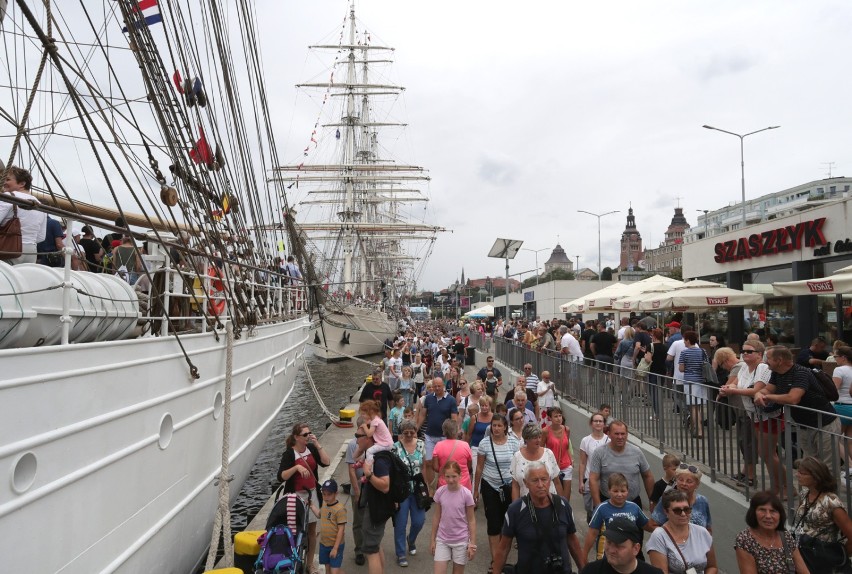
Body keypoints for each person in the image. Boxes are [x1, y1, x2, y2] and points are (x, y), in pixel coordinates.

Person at [492, 462, 586, 574]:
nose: (540, 485)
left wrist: (584, 569)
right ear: (526, 483)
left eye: (544, 479)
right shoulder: (515, 510)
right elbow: (503, 548)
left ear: (550, 480)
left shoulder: (562, 505)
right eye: (535, 480)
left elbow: (572, 540)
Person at [755, 345, 840, 468]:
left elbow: (793, 398)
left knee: (828, 465)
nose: (765, 361)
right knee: (810, 462)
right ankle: (812, 487)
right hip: (805, 424)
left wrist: (768, 397)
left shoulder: (801, 372)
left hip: (824, 423)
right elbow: (767, 389)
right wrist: (758, 393)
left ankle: (829, 487)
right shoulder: (776, 373)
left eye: (767, 358)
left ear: (779, 361)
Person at [718, 342, 782, 493]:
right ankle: (779, 486)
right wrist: (729, 388)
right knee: (764, 453)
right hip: (752, 414)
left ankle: (782, 486)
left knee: (767, 454)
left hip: (766, 415)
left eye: (749, 351)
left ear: (760, 354)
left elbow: (757, 390)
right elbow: (735, 384)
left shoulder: (762, 368)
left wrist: (733, 391)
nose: (745, 353)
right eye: (743, 351)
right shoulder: (744, 368)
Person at [277, 423, 331, 574]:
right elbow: (281, 477)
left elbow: (326, 462)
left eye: (310, 433)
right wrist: (296, 468)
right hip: (296, 496)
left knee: (312, 530)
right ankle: (293, 561)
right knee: (295, 529)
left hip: (312, 493)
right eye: (305, 435)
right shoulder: (289, 454)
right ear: (296, 437)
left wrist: (317, 444)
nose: (308, 436)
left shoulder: (312, 449)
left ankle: (309, 563)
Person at [473, 413, 519, 570]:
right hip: (490, 485)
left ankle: (502, 555)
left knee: (507, 523)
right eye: (494, 425)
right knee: (493, 523)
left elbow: (518, 465)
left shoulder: (514, 442)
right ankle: (496, 561)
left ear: (505, 427)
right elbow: (479, 467)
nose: (496, 428)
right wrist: (476, 490)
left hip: (509, 486)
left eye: (499, 425)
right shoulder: (484, 444)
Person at [792, 456, 852, 573]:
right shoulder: (804, 494)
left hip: (821, 560)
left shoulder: (831, 502)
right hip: (802, 553)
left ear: (816, 477)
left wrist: (839, 554)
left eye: (802, 473)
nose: (797, 475)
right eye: (798, 472)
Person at [583, 473, 652, 562]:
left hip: (628, 558)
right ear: (609, 491)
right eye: (615, 491)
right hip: (606, 558)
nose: (619, 494)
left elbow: (647, 525)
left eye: (623, 491)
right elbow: (592, 533)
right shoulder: (601, 508)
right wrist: (584, 555)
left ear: (628, 491)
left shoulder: (634, 507)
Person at [735, 491, 809, 574]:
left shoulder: (785, 536)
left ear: (780, 515)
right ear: (753, 513)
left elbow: (804, 571)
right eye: (762, 510)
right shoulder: (745, 540)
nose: (768, 516)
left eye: (773, 511)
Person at [647, 490, 717, 574]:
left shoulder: (702, 532)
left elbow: (712, 566)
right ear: (666, 512)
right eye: (677, 510)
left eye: (687, 509)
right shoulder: (659, 536)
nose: (683, 514)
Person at [588, 421, 654, 509]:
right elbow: (593, 479)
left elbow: (647, 476)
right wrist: (598, 505)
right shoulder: (599, 453)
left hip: (633, 504)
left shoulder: (637, 452)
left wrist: (652, 500)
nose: (620, 437)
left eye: (623, 434)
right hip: (607, 503)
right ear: (609, 434)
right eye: (616, 434)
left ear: (627, 435)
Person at [430, 460, 477, 574]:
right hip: (442, 539)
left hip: (461, 540)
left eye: (454, 476)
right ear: (443, 477)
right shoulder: (440, 492)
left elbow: (471, 520)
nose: (450, 480)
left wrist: (472, 543)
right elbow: (436, 517)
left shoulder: (466, 494)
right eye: (447, 476)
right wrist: (432, 540)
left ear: (460, 476)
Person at [393, 420, 427, 567]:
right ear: (401, 433)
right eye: (405, 432)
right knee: (400, 524)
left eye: (411, 432)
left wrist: (427, 488)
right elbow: (393, 472)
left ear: (415, 431)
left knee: (419, 521)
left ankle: (411, 540)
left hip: (418, 489)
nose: (408, 435)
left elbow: (424, 467)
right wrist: (392, 495)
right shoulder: (395, 447)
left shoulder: (421, 444)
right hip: (402, 490)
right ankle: (400, 553)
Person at [417, 376, 459, 492]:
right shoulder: (428, 399)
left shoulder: (451, 400)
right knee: (429, 462)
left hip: (444, 437)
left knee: (445, 463)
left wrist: (454, 435)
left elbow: (454, 418)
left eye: (439, 386)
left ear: (443, 386)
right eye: (434, 386)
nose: (436, 388)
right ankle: (431, 488)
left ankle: (444, 486)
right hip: (430, 435)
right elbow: (423, 415)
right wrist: (416, 429)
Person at [579, 517, 664, 574]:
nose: (611, 550)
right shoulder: (591, 571)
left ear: (635, 548)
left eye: (619, 545)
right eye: (609, 542)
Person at [360, 436, 393, 574]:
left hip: (376, 509)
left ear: (369, 439)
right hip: (379, 508)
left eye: (358, 436)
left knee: (371, 550)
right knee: (376, 546)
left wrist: (368, 474)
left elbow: (385, 486)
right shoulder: (376, 456)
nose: (356, 440)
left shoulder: (378, 461)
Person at [1, 166, 47, 264]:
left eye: (8, 179)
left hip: (9, 248)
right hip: (31, 251)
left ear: (22, 183)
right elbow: (41, 237)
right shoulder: (40, 205)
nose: (4, 182)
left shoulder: (9, 197)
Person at [649, 464, 711, 531]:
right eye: (680, 480)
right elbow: (652, 525)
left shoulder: (702, 501)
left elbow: (708, 529)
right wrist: (670, 537)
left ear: (697, 484)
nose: (684, 484)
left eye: (689, 481)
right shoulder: (667, 499)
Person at [510, 423, 562, 499]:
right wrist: (515, 508)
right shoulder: (517, 457)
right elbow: (515, 486)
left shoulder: (548, 454)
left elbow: (557, 482)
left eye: (539, 437)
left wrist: (561, 503)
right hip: (527, 504)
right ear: (526, 439)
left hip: (549, 501)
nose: (538, 440)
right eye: (534, 438)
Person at [578, 412, 610, 523]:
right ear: (591, 423)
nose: (598, 423)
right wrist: (581, 481)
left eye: (600, 421)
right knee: (591, 512)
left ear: (604, 424)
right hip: (589, 479)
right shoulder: (585, 441)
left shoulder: (609, 441)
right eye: (595, 421)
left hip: (604, 481)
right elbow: (582, 462)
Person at [345, 420, 368, 566]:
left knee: (371, 519)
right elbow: (351, 469)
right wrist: (357, 490)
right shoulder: (353, 445)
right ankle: (359, 550)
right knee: (358, 521)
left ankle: (370, 545)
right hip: (359, 488)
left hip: (372, 489)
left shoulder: (374, 444)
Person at [678, 331, 709, 438]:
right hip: (701, 381)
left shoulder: (684, 353)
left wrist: (689, 368)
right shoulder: (702, 351)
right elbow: (706, 365)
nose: (684, 342)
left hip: (690, 381)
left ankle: (699, 430)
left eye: (684, 340)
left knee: (693, 407)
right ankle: (694, 426)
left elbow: (681, 368)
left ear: (688, 340)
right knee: (698, 406)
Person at [314, 479, 346, 574]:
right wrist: (312, 506)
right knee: (327, 569)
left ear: (336, 494)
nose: (326, 497)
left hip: (335, 545)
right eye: (324, 494)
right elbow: (319, 514)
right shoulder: (324, 504)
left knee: (334, 571)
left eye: (329, 494)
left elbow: (341, 529)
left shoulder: (340, 509)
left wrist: (335, 548)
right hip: (324, 544)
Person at [543, 407, 573, 500]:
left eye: (560, 416)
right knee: (556, 496)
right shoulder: (545, 431)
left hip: (566, 466)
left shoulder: (566, 429)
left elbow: (567, 446)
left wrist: (571, 460)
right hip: (552, 466)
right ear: (550, 418)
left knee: (566, 498)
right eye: (555, 416)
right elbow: (541, 448)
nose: (559, 418)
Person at [832, 346, 852, 478]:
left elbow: (833, 390)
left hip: (841, 406)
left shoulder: (839, 370)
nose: (835, 359)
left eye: (836, 357)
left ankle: (850, 466)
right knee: (849, 440)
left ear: (843, 357)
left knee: (834, 438)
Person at [465, 395, 493, 476]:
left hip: (490, 448)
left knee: (487, 474)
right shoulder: (474, 417)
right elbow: (469, 434)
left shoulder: (494, 417)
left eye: (486, 406)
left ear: (490, 406)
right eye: (482, 406)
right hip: (476, 448)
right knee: (476, 472)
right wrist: (467, 448)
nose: (484, 408)